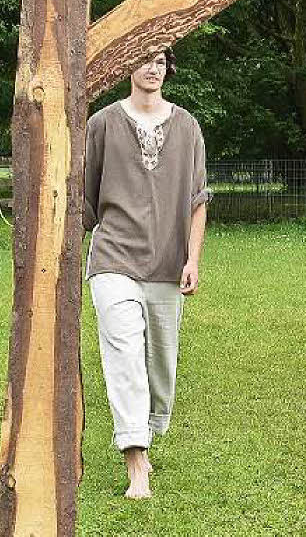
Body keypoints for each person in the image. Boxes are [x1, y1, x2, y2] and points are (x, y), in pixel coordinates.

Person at [84, 48, 210, 499]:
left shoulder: (188, 126)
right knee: (123, 355)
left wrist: (192, 259)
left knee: (160, 362)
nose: (152, 67)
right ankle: (136, 460)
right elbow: (86, 197)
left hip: (166, 263)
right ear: (127, 66)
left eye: (160, 60)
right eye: (143, 58)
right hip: (113, 257)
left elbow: (198, 200)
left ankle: (148, 428)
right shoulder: (101, 124)